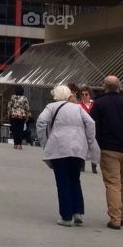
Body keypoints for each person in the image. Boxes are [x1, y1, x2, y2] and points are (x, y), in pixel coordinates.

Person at [35, 84, 100, 227]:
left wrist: (44, 142)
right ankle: (78, 212)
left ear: (56, 95)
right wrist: (89, 141)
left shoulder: (51, 107)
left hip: (59, 147)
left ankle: (66, 216)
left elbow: (41, 122)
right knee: (75, 179)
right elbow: (90, 123)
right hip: (77, 148)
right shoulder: (77, 108)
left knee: (62, 180)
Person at [90, 75, 123, 229]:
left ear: (104, 87)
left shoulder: (99, 103)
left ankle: (115, 218)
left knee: (113, 183)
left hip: (108, 148)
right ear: (119, 87)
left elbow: (93, 126)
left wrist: (95, 144)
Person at [78, 86, 98, 173]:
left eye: (86, 94)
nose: (84, 96)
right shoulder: (78, 105)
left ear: (90, 95)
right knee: (82, 147)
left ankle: (94, 166)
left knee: (94, 147)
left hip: (94, 128)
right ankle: (82, 165)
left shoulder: (95, 105)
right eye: (82, 94)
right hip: (82, 128)